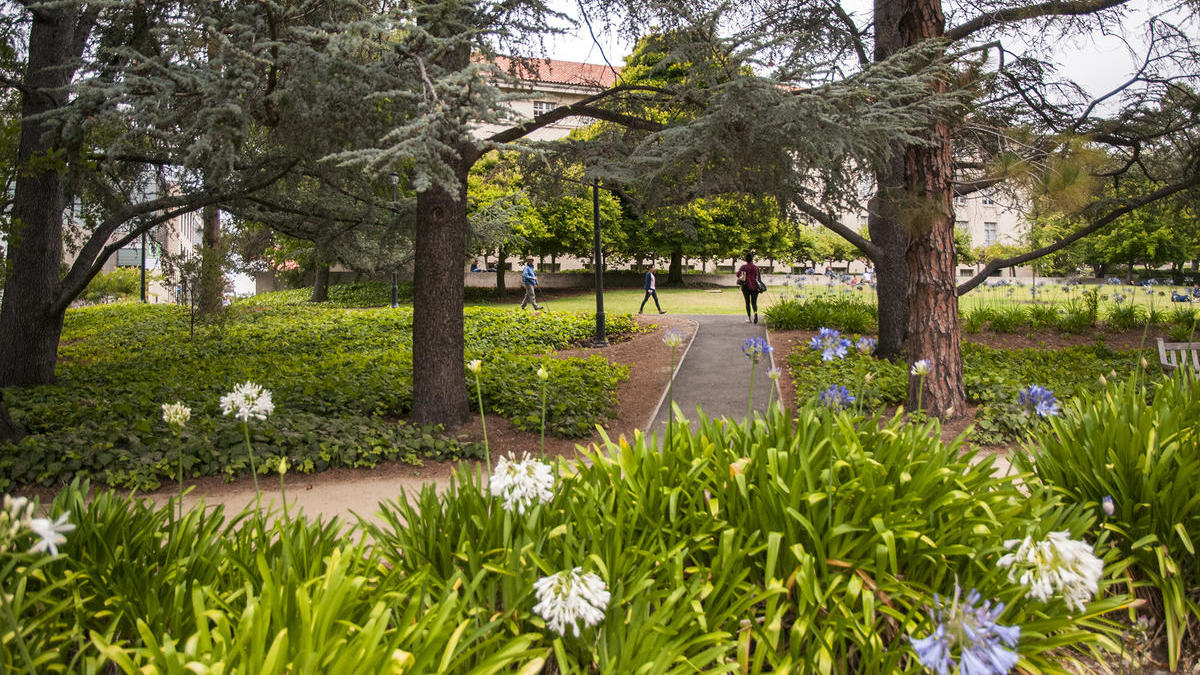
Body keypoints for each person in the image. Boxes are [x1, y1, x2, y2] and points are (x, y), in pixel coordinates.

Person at [736, 253, 762, 324]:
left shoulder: (743, 267)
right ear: (752, 259)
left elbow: (738, 274)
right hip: (755, 287)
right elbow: (759, 278)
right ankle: (755, 313)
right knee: (754, 302)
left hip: (745, 286)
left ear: (745, 259)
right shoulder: (756, 268)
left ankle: (749, 318)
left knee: (747, 302)